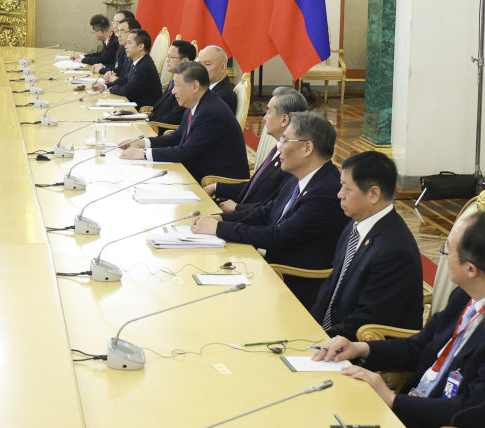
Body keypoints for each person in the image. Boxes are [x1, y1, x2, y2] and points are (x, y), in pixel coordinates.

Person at [313, 212, 485, 428]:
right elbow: (419, 346)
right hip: (410, 405)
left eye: (448, 250)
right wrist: (360, 348)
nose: (444, 256)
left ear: (470, 269)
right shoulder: (463, 297)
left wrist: (391, 399)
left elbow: (469, 410)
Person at [192, 111, 347, 307]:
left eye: (285, 140)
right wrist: (221, 219)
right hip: (270, 265)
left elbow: (278, 236)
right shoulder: (299, 177)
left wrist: (218, 229)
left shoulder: (325, 191)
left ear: (307, 148)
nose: (279, 147)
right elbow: (266, 212)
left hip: (291, 282)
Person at [308, 151, 423, 340]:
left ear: (373, 194)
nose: (339, 195)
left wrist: (318, 341)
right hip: (332, 334)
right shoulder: (355, 225)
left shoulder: (394, 251)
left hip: (362, 346)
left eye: (347, 188)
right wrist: (309, 327)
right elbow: (331, 284)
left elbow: (368, 319)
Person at [119, 61, 247, 184]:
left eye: (177, 85)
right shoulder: (198, 103)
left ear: (195, 86)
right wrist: (143, 143)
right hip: (196, 171)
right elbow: (177, 136)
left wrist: (143, 154)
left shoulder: (211, 112)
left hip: (215, 182)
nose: (173, 91)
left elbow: (185, 153)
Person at [204, 87, 307, 213]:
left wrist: (237, 208)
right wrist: (216, 187)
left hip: (246, 217)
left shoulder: (291, 161)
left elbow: (272, 209)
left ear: (284, 119)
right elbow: (254, 188)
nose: (264, 118)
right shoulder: (278, 149)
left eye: (268, 112)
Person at [92, 29, 162, 109]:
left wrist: (111, 89)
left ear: (140, 46)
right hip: (132, 104)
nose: (126, 46)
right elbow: (125, 80)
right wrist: (105, 86)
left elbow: (127, 90)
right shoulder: (138, 61)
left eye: (129, 43)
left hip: (142, 111)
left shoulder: (145, 66)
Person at [148, 40, 197, 129]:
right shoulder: (174, 80)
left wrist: (150, 122)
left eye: (171, 57)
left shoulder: (187, 85)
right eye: (167, 56)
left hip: (161, 130)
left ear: (184, 61)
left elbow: (174, 118)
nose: (167, 60)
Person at [197, 45, 237, 114]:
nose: (201, 68)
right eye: (199, 64)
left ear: (222, 67)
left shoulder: (222, 97)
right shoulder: (210, 87)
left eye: (207, 64)